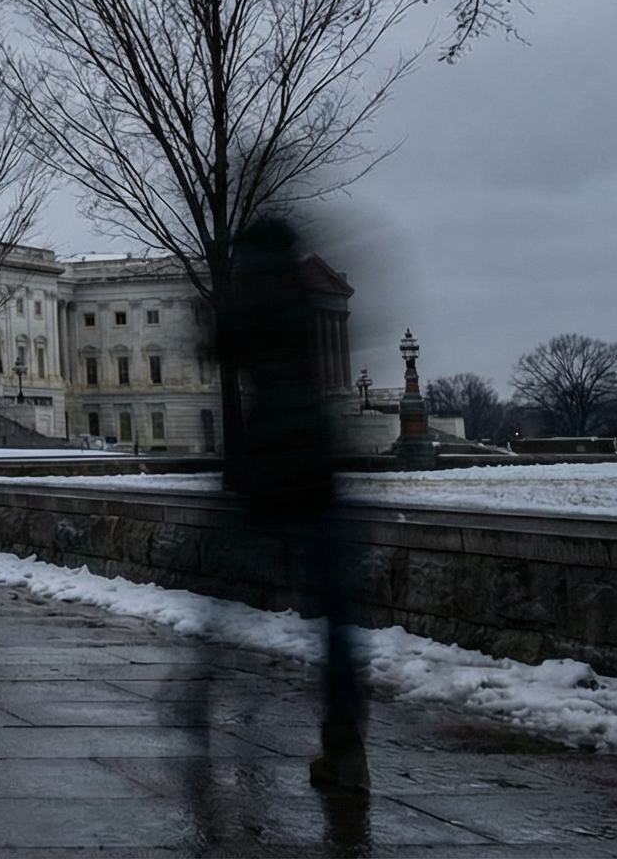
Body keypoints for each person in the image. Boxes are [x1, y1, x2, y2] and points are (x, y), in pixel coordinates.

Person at [214, 214, 369, 797]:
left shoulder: (249, 299)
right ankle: (345, 736)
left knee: (227, 591)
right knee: (334, 613)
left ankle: (202, 688)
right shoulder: (308, 296)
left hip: (267, 470)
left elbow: (220, 347)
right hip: (320, 468)